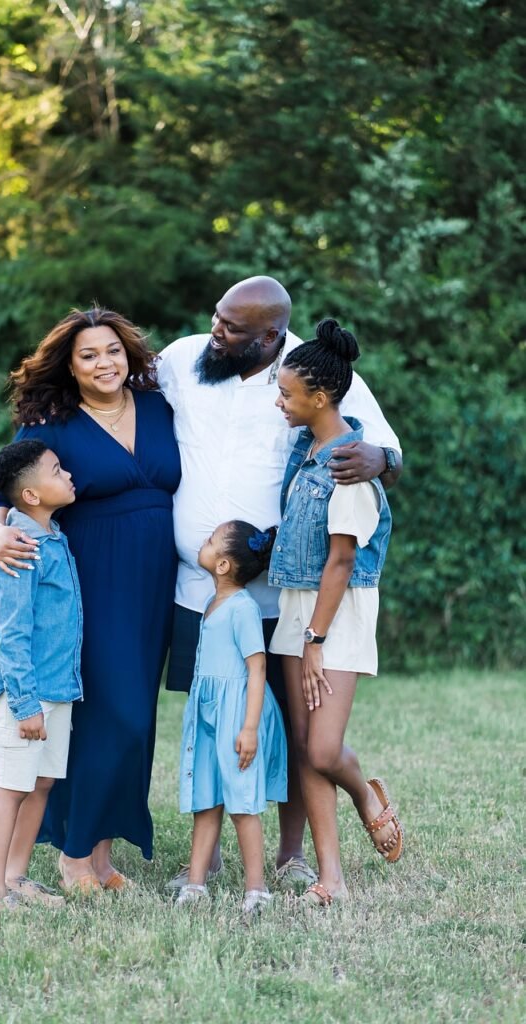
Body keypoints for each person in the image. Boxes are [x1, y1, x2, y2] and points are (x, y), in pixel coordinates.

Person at [157, 276, 402, 890]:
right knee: (213, 714)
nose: (216, 332)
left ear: (271, 335)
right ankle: (208, 852)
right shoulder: (184, 359)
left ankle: (293, 855)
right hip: (205, 591)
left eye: (232, 328)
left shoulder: (305, 371)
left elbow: (383, 446)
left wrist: (379, 460)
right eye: (217, 317)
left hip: (290, 600)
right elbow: (110, 389)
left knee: (298, 731)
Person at [0, 308, 181, 892]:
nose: (104, 363)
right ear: (69, 366)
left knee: (133, 717)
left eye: (113, 351)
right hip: (87, 577)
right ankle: (72, 854)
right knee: (110, 712)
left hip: (154, 580)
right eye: (89, 355)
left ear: (129, 353)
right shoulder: (55, 422)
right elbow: (3, 490)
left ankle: (99, 853)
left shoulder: (159, 408)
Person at [269, 318, 403, 908]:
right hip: (300, 609)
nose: (279, 402)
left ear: (319, 398)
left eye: (286, 394)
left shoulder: (349, 463)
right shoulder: (307, 450)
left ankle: (366, 797)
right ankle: (332, 878)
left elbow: (341, 562)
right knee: (304, 745)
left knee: (325, 749)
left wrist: (316, 639)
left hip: (335, 615)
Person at [0, 439, 83, 911]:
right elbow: (13, 634)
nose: (69, 476)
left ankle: (16, 877)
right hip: (28, 692)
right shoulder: (19, 549)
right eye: (57, 471)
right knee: (12, 784)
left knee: (40, 783)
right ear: (32, 496)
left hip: (58, 687)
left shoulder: (54, 537)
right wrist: (24, 704)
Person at [177, 521, 287, 916]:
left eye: (209, 541)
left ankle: (256, 889)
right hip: (208, 713)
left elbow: (257, 670)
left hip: (238, 714)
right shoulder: (212, 603)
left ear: (222, 565)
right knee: (206, 799)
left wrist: (250, 728)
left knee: (242, 801)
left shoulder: (243, 609)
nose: (202, 543)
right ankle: (195, 882)